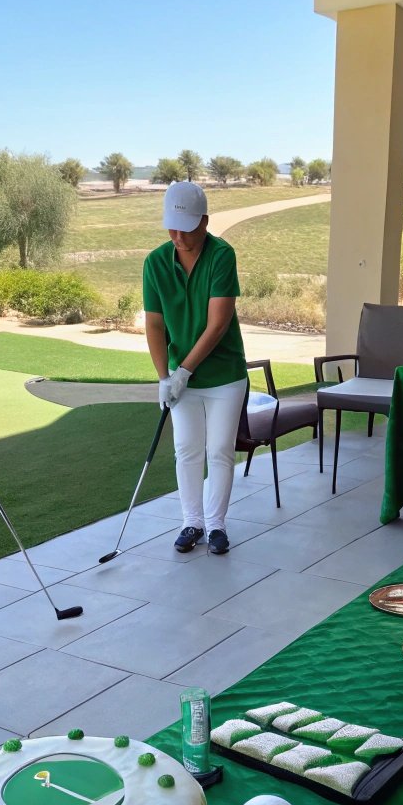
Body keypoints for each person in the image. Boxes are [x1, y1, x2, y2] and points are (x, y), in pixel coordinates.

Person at [142, 182, 248, 555]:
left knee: (219, 449)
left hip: (224, 375)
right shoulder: (155, 262)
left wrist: (184, 371)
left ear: (204, 221)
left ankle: (217, 526)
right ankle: (192, 523)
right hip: (178, 375)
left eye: (186, 229)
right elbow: (154, 325)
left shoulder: (221, 255)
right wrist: (163, 377)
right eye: (172, 228)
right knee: (186, 449)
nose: (179, 237)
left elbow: (218, 323)